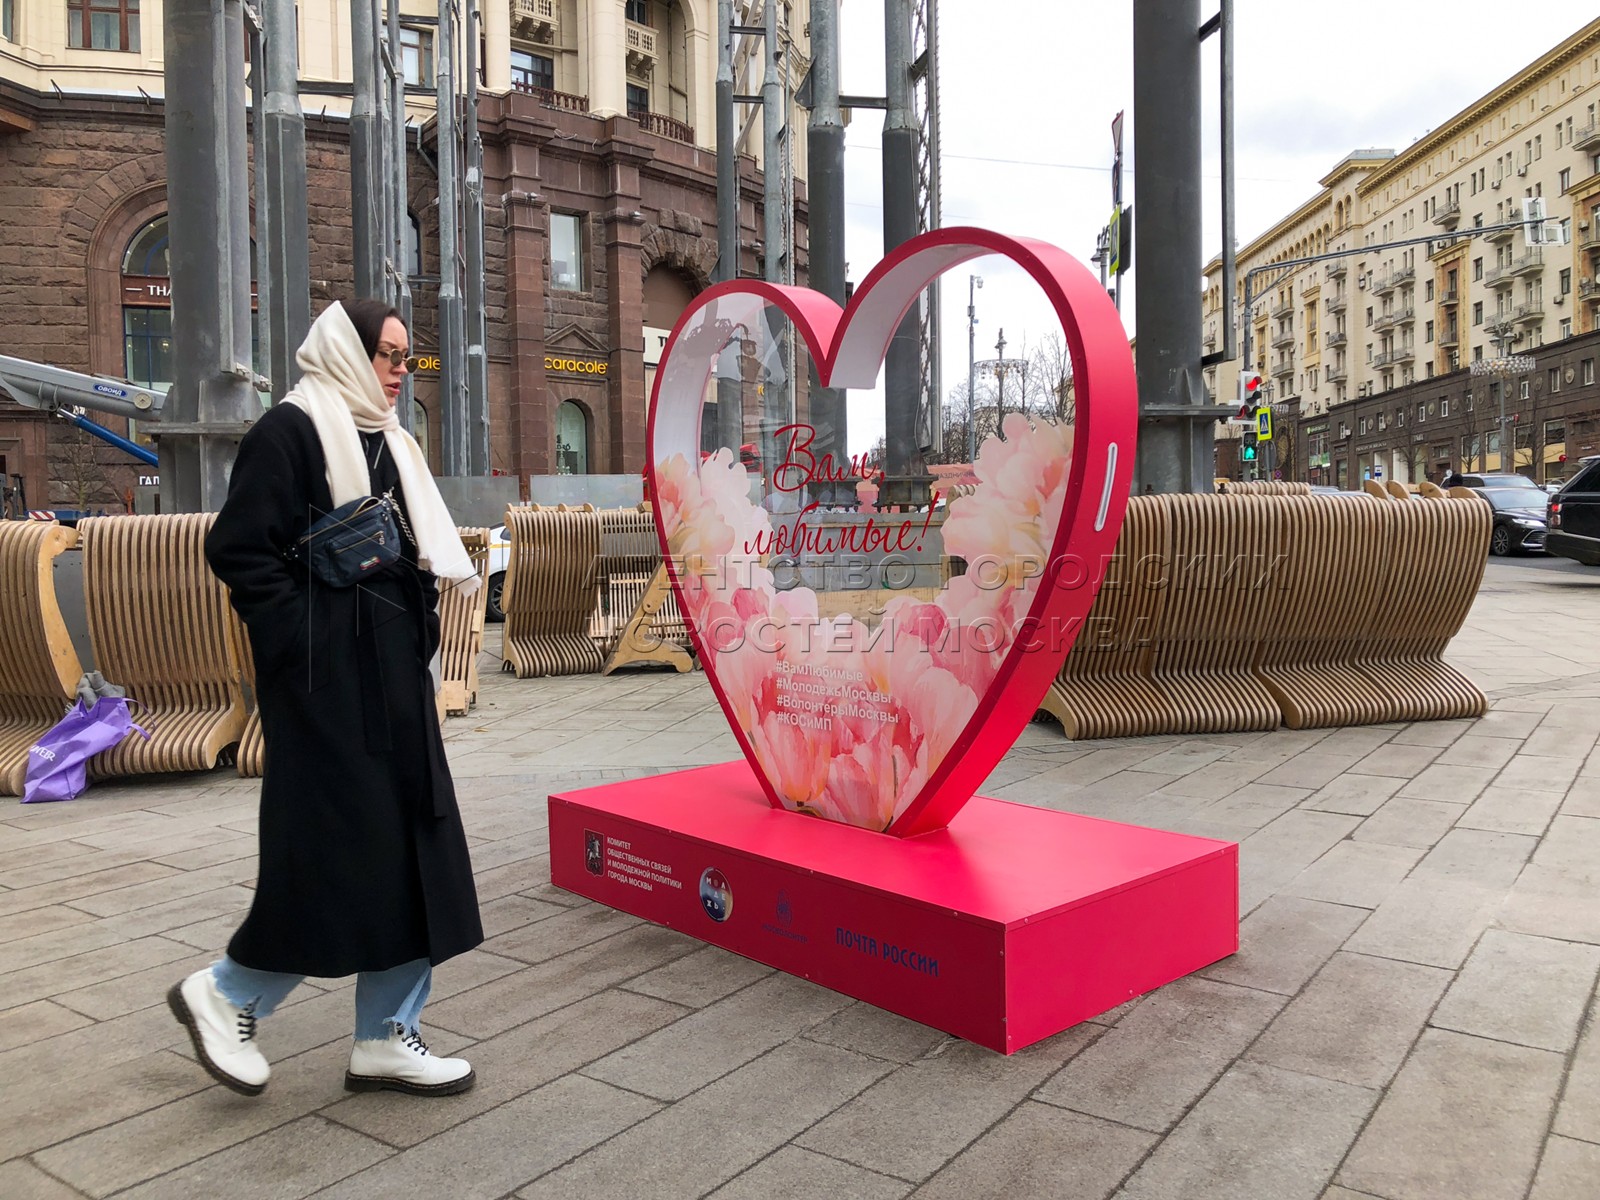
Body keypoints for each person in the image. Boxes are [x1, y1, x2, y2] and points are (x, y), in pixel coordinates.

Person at [170, 300, 484, 1098]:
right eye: (388, 354)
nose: (400, 370)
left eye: (407, 358)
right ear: (346, 351)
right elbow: (240, 550)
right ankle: (228, 992)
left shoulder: (390, 440)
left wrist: (422, 626)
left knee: (416, 849)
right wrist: (309, 631)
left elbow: (412, 553)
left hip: (394, 682)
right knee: (338, 853)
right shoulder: (291, 431)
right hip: (326, 687)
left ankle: (384, 1033)